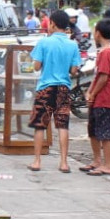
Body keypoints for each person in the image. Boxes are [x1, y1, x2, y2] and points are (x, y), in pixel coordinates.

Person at [27, 9, 81, 173]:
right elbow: (73, 70)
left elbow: (36, 66)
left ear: (52, 24)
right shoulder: (73, 44)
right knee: (63, 125)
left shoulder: (44, 42)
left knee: (40, 125)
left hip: (46, 88)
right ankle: (64, 163)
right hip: (64, 88)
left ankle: (37, 161)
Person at [81, 18, 110, 176]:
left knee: (105, 132)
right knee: (94, 130)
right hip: (99, 98)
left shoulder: (107, 52)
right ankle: (97, 160)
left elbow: (103, 77)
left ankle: (108, 164)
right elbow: (97, 76)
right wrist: (90, 92)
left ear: (98, 33)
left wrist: (93, 93)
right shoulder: (104, 51)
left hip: (106, 98)